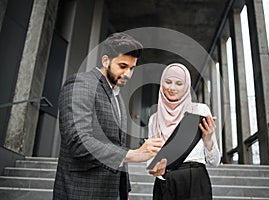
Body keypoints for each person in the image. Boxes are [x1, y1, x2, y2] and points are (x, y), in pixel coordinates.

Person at [53, 32, 165, 200]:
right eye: (122, 66)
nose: (128, 73)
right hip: (83, 191)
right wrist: (133, 154)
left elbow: (116, 144)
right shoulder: (81, 84)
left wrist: (123, 188)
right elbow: (78, 141)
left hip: (113, 191)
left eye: (132, 68)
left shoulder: (117, 96)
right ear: (106, 61)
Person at [148, 63, 221, 200]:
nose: (172, 88)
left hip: (195, 178)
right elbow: (151, 161)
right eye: (168, 82)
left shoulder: (200, 110)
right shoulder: (154, 119)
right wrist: (157, 168)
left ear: (186, 86)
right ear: (161, 84)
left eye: (179, 83)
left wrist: (208, 139)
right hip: (166, 181)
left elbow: (215, 161)